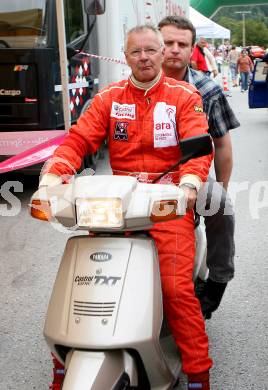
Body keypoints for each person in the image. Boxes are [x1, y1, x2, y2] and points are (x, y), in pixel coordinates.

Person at [40, 25, 213, 390]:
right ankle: (63, 362)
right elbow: (79, 140)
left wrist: (189, 185)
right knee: (83, 280)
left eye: (152, 50)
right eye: (137, 52)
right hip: (119, 203)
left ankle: (198, 374)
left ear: (162, 53)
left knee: (175, 288)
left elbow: (199, 151)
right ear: (126, 55)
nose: (145, 57)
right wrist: (52, 178)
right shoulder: (108, 98)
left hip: (167, 203)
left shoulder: (184, 96)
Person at [158, 15, 240, 319]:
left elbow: (221, 144)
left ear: (193, 49)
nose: (175, 49)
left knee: (220, 206)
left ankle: (217, 282)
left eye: (183, 44)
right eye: (168, 43)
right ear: (156, 45)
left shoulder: (207, 89)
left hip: (189, 176)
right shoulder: (133, 87)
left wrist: (221, 186)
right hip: (141, 178)